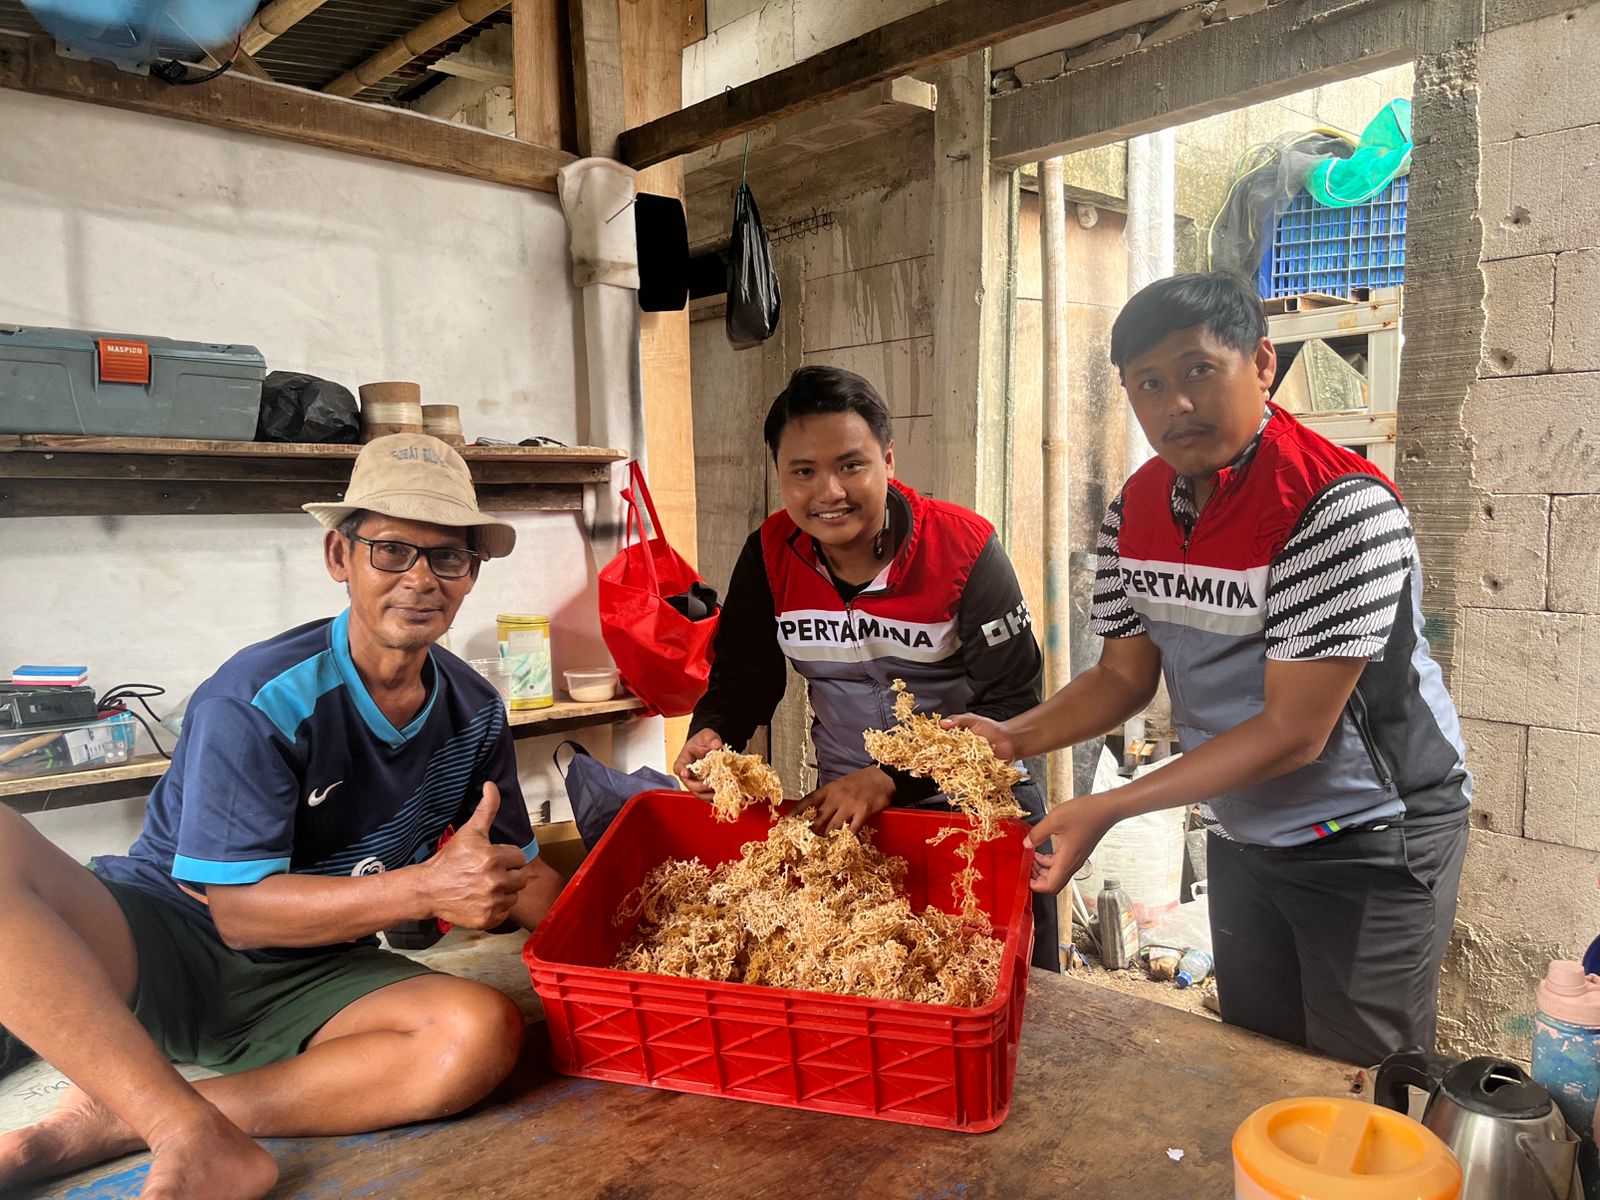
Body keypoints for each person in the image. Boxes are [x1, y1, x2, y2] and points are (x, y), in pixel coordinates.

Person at [0, 433, 564, 1200]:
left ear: (471, 574)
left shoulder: (474, 711)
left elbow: (522, 874)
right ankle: (174, 1123)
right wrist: (429, 888)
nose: (420, 579)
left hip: (313, 972)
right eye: (392, 551)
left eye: (448, 558)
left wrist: (638, 959)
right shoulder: (258, 696)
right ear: (340, 556)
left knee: (480, 1035)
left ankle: (136, 1119)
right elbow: (239, 915)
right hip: (159, 942)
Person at [948, 273, 1471, 1065]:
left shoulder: (1334, 506)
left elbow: (1293, 732)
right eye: (1149, 384)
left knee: (1360, 1082)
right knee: (1256, 1061)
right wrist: (1012, 739)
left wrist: (1110, 806)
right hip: (1242, 826)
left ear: (1261, 363)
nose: (1177, 404)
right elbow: (1122, 678)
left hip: (1369, 833)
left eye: (1199, 370)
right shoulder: (1137, 508)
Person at [673, 365, 1059, 971]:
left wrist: (890, 778)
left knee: (1013, 994)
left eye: (851, 465)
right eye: (803, 472)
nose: (828, 492)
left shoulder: (964, 549)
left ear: (888, 460)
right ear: (781, 475)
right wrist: (714, 731)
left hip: (978, 812)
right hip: (849, 821)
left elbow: (1014, 705)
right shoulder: (770, 553)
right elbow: (744, 676)